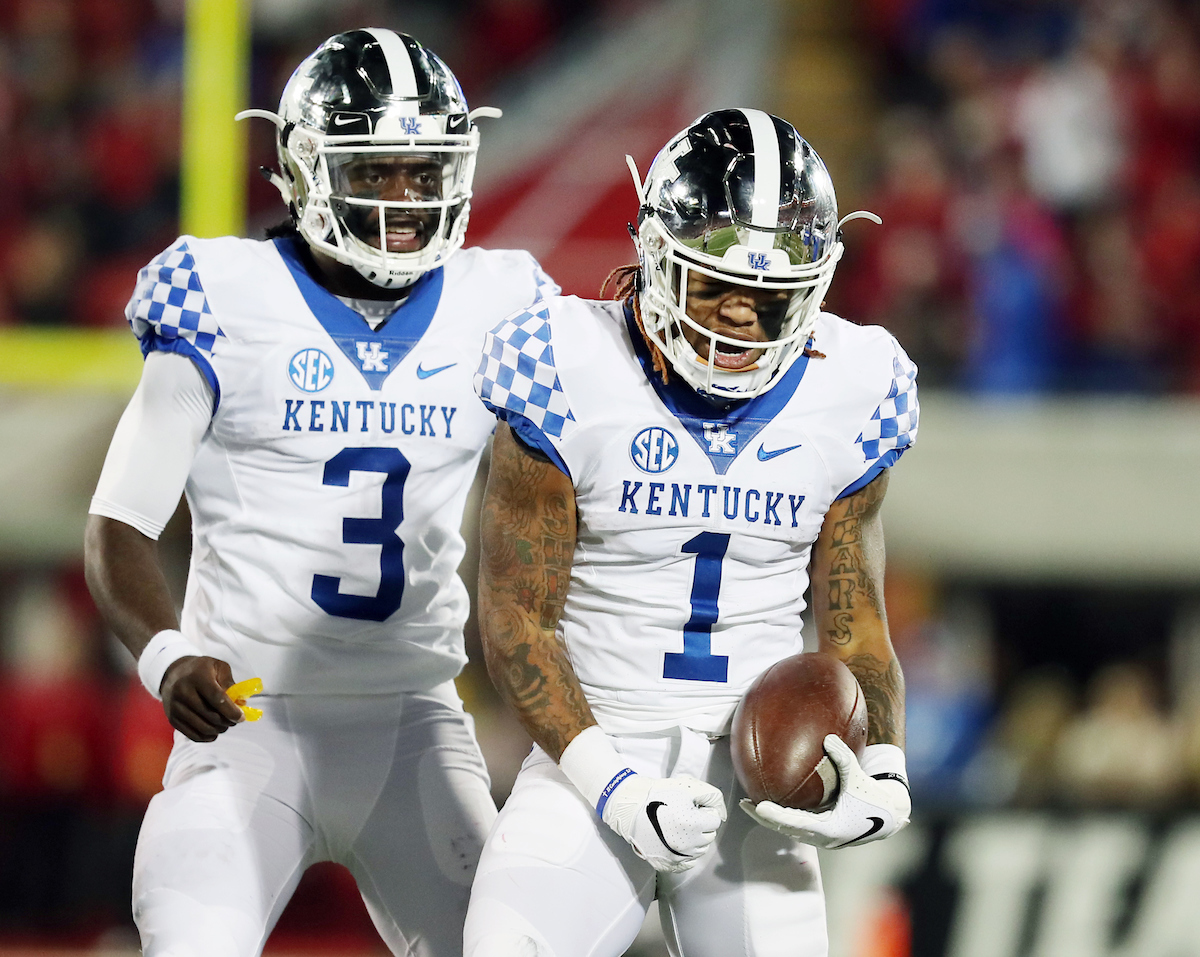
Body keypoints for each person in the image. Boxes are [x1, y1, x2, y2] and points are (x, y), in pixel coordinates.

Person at [83, 28, 558, 957]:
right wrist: (170, 654)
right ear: (305, 168)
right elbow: (119, 522)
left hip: (416, 718)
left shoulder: (503, 303)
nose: (406, 199)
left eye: (424, 171)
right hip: (248, 721)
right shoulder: (223, 295)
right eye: (376, 171)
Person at [464, 109, 916, 957]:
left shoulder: (856, 385)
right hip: (591, 756)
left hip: (763, 776)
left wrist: (884, 764)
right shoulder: (563, 361)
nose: (740, 316)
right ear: (655, 258)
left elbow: (856, 625)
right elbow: (515, 620)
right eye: (715, 286)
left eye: (770, 294)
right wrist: (618, 787)